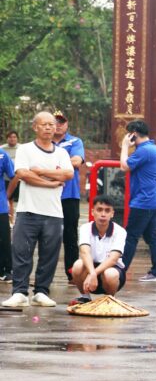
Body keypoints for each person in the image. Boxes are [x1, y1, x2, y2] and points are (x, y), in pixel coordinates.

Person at [2, 112, 72, 308]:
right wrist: (50, 184)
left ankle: (41, 291)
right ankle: (19, 292)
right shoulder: (25, 150)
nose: (50, 128)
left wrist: (40, 171)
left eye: (52, 124)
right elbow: (23, 173)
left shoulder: (61, 153)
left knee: (49, 254)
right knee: (22, 252)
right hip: (28, 210)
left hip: (53, 212)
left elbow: (68, 173)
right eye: (45, 124)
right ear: (35, 127)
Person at [119, 119, 156, 282]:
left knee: (131, 237)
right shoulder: (154, 149)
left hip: (143, 201)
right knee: (152, 237)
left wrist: (125, 146)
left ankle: (120, 271)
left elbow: (124, 166)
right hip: (153, 200)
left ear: (134, 135)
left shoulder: (144, 151)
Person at [70, 194, 127, 304]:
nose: (103, 214)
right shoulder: (85, 228)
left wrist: (93, 274)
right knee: (77, 266)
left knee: (110, 274)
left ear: (112, 214)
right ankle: (85, 297)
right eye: (99, 210)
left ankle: (109, 300)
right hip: (89, 273)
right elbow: (84, 252)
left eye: (107, 211)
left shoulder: (120, 231)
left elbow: (113, 259)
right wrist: (92, 273)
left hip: (112, 272)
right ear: (93, 212)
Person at [52, 110, 85, 282]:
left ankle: (72, 273)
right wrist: (64, 166)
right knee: (48, 235)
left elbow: (77, 161)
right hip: (48, 194)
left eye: (61, 121)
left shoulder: (75, 141)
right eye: (54, 121)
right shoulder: (43, 143)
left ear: (67, 124)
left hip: (69, 195)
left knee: (71, 236)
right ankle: (46, 275)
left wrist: (50, 165)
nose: (58, 125)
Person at [0, 141, 15, 281]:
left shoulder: (2, 155)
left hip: (1, 206)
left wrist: (7, 194)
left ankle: (7, 269)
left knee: (4, 238)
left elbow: (14, 175)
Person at [4, 131, 20, 225]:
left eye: (14, 137)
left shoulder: (22, 148)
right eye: (10, 137)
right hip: (6, 179)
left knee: (18, 200)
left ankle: (17, 221)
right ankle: (11, 221)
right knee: (9, 199)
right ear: (7, 138)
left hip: (20, 179)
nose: (12, 139)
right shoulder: (2, 149)